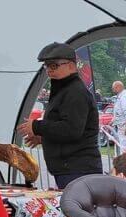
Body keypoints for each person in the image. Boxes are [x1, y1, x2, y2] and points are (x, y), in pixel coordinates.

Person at [17, 42, 102, 190]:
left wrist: (37, 126)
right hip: (71, 169)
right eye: (46, 66)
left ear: (70, 65)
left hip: (78, 170)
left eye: (54, 65)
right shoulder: (65, 90)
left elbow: (72, 130)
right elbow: (68, 129)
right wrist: (44, 138)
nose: (49, 70)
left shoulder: (75, 92)